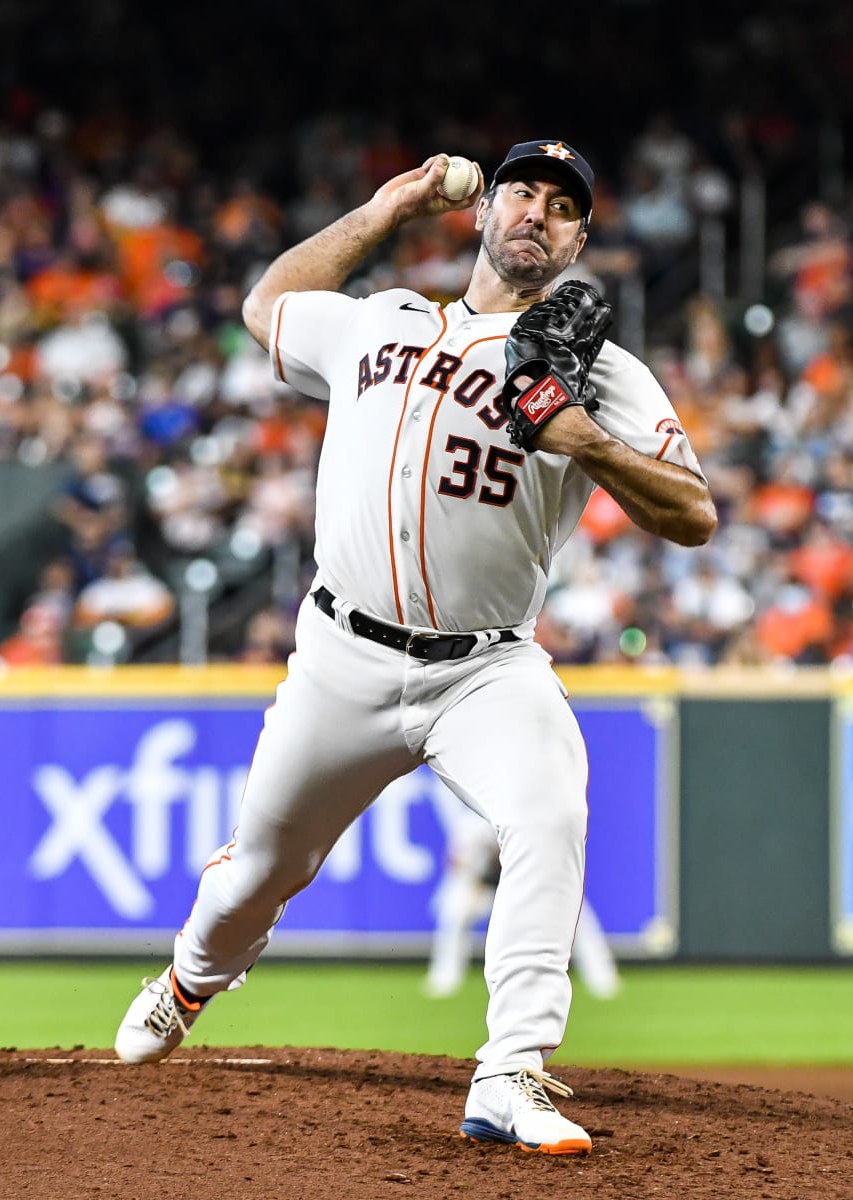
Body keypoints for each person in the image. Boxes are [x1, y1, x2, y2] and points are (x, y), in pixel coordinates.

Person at [114, 140, 715, 1156]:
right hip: (340, 654)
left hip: (485, 667)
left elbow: (696, 515)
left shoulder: (603, 373)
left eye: (563, 205)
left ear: (580, 241)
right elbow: (266, 307)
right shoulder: (386, 319)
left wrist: (592, 446)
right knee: (258, 873)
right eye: (522, 189)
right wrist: (385, 209)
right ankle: (189, 980)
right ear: (485, 213)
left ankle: (511, 1073)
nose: (536, 209)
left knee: (550, 811)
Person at [423, 793, 620, 1002]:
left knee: (577, 914)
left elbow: (550, 865)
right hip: (485, 888)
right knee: (455, 910)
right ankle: (445, 977)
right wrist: (474, 884)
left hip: (529, 886)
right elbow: (458, 865)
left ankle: (602, 977)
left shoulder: (532, 823)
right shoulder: (472, 824)